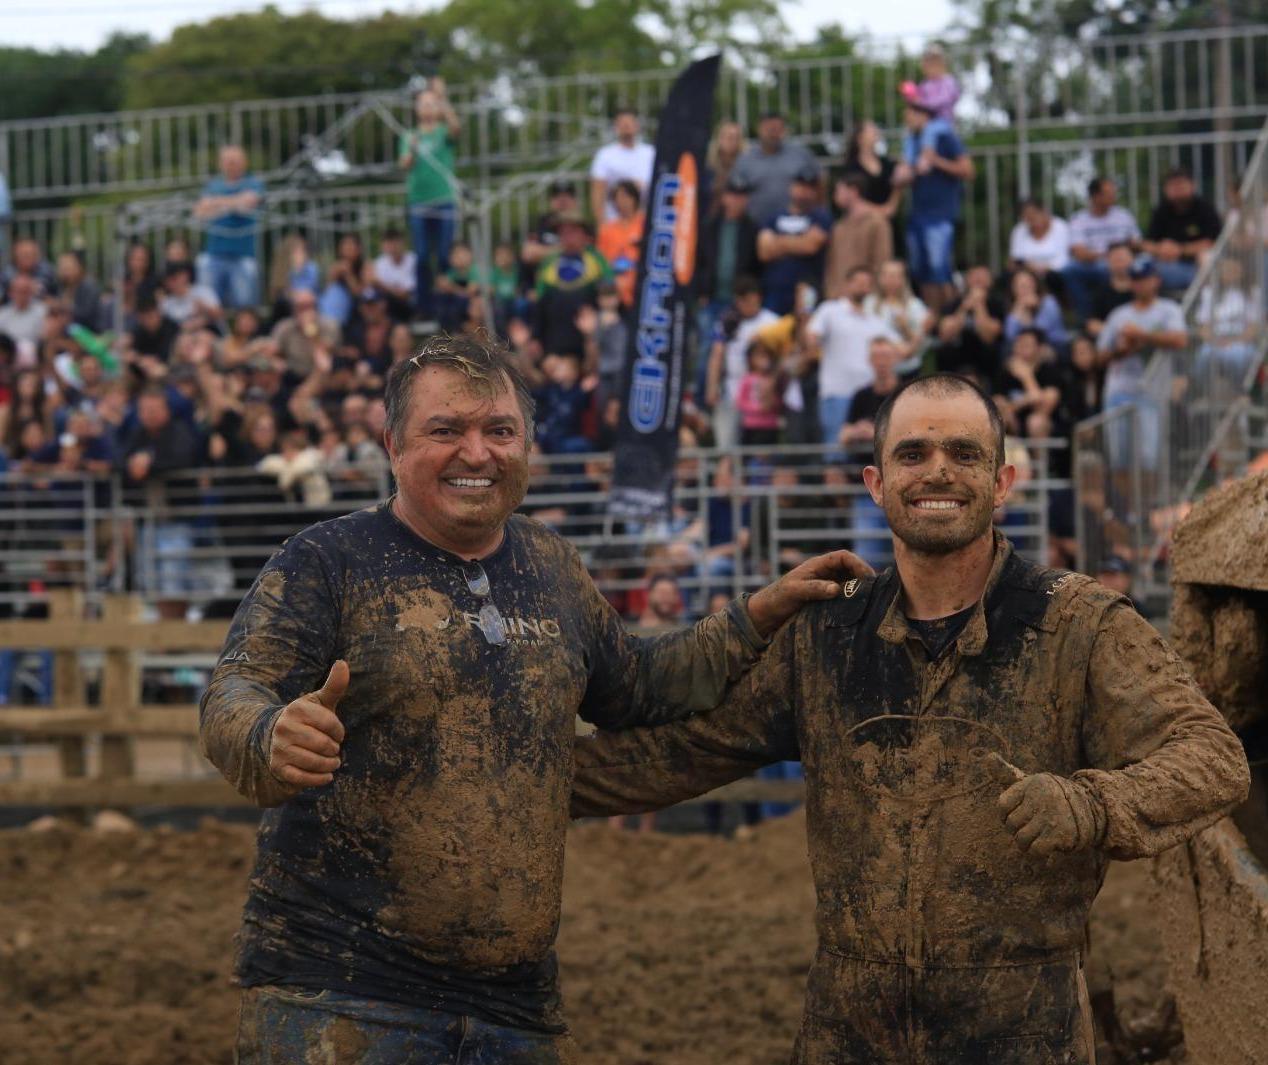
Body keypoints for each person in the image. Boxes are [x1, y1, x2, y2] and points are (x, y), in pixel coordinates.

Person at [199, 331, 867, 1062]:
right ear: (392, 443)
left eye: (499, 430)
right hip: (339, 995)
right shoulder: (328, 560)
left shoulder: (550, 563)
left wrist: (755, 615)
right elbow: (235, 687)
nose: (477, 453)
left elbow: (637, 686)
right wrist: (269, 733)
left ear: (527, 446)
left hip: (512, 1007)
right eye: (445, 430)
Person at [571, 371, 1249, 1064]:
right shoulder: (829, 634)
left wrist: (1094, 804)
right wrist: (513, 779)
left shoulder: (1077, 624)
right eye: (913, 453)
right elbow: (680, 751)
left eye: (964, 453)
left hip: (1022, 1028)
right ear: (876, 481)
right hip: (851, 1030)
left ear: (1003, 480)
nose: (938, 472)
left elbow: (1212, 757)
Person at [1096, 258, 1187, 479]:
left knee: (1148, 457)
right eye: (1135, 280)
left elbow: (1180, 340)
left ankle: (1147, 512)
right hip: (1119, 391)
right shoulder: (1119, 315)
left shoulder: (1169, 310)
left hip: (1152, 393)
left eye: (1145, 279)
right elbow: (1099, 357)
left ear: (1156, 280)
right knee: (1119, 458)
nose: (1140, 285)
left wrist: (1142, 336)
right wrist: (1121, 350)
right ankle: (1128, 512)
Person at [805, 266, 898, 455]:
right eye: (859, 282)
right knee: (836, 453)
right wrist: (812, 346)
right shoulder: (830, 310)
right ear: (847, 285)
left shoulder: (875, 320)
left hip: (867, 397)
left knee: (871, 453)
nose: (863, 286)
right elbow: (812, 334)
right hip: (837, 392)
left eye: (867, 283)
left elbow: (901, 349)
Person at [894, 100, 973, 313]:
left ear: (923, 115)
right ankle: (934, 319)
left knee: (940, 269)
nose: (906, 121)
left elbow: (967, 170)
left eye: (909, 115)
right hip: (918, 213)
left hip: (940, 214)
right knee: (922, 271)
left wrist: (936, 160)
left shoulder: (944, 137)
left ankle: (952, 316)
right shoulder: (912, 142)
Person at [399, 79, 461, 320]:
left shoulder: (443, 131)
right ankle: (423, 306)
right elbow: (404, 164)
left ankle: (446, 304)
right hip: (419, 201)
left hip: (444, 198)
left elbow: (456, 128)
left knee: (445, 254)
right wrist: (412, 149)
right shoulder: (410, 135)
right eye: (423, 103)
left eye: (431, 103)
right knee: (423, 255)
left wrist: (443, 98)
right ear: (416, 108)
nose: (427, 107)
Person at [706, 276, 779, 449]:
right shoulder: (727, 321)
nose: (746, 305)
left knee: (756, 447)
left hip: (760, 393)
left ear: (758, 298)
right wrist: (712, 387)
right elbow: (717, 355)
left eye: (749, 300)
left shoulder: (772, 322)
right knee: (727, 447)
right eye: (742, 301)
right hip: (732, 390)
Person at [1062, 177, 1143, 320]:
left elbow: (1136, 243)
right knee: (1070, 270)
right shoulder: (1079, 219)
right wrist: (1110, 256)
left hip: (1125, 260)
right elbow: (1079, 252)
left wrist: (1122, 255)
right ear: (1095, 196)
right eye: (1109, 193)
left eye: (1113, 192)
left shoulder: (1123, 216)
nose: (1114, 196)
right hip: (1095, 264)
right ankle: (1086, 317)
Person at [533, 211, 611, 358]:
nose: (568, 236)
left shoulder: (596, 261)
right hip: (555, 341)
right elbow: (540, 303)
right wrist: (536, 337)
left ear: (584, 235)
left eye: (573, 231)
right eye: (563, 232)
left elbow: (609, 295)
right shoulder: (549, 264)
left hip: (589, 340)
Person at [756, 166, 832, 316]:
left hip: (807, 290)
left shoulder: (821, 217)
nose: (804, 192)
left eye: (810, 188)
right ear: (792, 187)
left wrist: (778, 243)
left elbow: (810, 246)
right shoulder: (774, 217)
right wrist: (799, 241)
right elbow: (764, 252)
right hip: (774, 291)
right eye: (801, 186)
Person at [732, 112, 821, 226]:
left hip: (796, 225)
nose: (773, 133)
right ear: (759, 129)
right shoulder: (745, 159)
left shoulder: (801, 155)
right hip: (755, 225)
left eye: (777, 129)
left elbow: (819, 183)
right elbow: (736, 193)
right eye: (769, 129)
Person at [1142, 167, 1222, 294]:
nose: (1177, 190)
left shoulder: (1204, 208)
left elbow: (1213, 241)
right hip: (1167, 262)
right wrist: (1161, 249)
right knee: (1142, 262)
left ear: (1192, 186)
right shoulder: (1161, 210)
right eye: (1173, 186)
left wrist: (1180, 249)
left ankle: (1208, 299)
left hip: (1196, 262)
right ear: (1166, 189)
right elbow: (1148, 243)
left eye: (1181, 185)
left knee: (1206, 256)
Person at [823, 173, 893, 298]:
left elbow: (882, 260)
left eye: (839, 190)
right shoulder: (838, 227)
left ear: (853, 191)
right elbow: (832, 265)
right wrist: (831, 292)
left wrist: (875, 293)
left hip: (868, 298)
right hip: (838, 298)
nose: (835, 196)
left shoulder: (877, 223)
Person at [589, 108, 656, 224]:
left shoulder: (651, 153)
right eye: (622, 123)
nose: (626, 126)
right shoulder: (605, 155)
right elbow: (598, 191)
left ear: (637, 125)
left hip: (645, 220)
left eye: (629, 123)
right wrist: (601, 223)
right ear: (616, 127)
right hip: (615, 221)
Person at [595, 179, 644, 308]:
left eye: (625, 196)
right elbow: (601, 260)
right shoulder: (606, 230)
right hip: (615, 291)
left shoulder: (645, 225)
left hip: (641, 287)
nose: (620, 202)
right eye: (616, 198)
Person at [1008, 199, 1070, 278]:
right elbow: (1016, 259)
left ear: (1044, 212)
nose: (1032, 219)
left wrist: (1044, 268)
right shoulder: (1019, 230)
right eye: (1027, 217)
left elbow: (1063, 259)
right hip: (1027, 273)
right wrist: (1030, 267)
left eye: (1034, 214)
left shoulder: (1061, 227)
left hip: (1055, 273)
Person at [371, 227, 418, 322]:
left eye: (395, 242)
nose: (393, 247)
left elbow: (405, 294)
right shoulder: (379, 263)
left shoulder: (413, 260)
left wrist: (384, 286)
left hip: (409, 304)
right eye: (389, 243)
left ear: (402, 243)